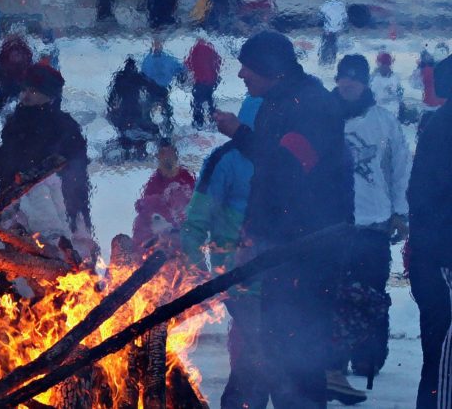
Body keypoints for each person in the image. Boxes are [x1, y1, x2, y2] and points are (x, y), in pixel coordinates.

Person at [215, 30, 352, 408]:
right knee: (269, 346)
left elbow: (290, 166)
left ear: (270, 68)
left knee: (297, 355)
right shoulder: (275, 102)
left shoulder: (312, 105)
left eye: (247, 66)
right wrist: (251, 232)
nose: (241, 74)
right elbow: (267, 178)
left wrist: (240, 134)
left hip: (308, 250)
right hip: (277, 247)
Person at [0, 62, 96, 263]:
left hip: (57, 214)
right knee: (16, 276)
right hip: (14, 211)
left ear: (49, 95)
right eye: (24, 89)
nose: (25, 95)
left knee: (64, 273)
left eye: (33, 90)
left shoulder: (65, 128)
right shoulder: (16, 123)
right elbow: (3, 166)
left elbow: (76, 179)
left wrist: (74, 219)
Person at [181, 95, 266, 409]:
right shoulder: (225, 160)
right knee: (257, 347)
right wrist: (196, 267)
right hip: (237, 273)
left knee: (266, 348)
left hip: (278, 272)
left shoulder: (284, 159)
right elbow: (197, 218)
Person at [331, 55, 410, 392]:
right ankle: (331, 361)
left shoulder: (384, 123)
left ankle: (368, 357)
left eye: (355, 79)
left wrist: (400, 211)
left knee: (372, 296)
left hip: (374, 224)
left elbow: (399, 168)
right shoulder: (323, 118)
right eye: (343, 78)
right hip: (332, 227)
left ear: (364, 82)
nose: (348, 84)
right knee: (331, 295)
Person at [407, 55, 452, 409]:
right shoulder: (445, 129)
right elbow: (424, 199)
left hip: (436, 255)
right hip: (441, 259)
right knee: (443, 359)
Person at [132, 142, 195, 248]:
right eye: (164, 155)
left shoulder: (186, 176)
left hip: (188, 228)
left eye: (170, 155)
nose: (167, 159)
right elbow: (145, 211)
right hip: (166, 232)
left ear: (175, 156)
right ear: (159, 158)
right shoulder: (154, 183)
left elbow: (197, 200)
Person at [107, 57, 160, 160]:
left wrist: (111, 105)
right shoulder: (137, 77)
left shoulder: (120, 77)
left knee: (127, 129)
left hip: (127, 110)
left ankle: (129, 148)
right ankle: (136, 149)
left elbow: (113, 94)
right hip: (134, 109)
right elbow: (151, 86)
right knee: (142, 128)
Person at [140, 39, 184, 133]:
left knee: (157, 107)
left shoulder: (155, 59)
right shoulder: (149, 60)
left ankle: (163, 127)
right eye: (156, 44)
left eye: (158, 44)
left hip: (158, 89)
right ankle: (159, 127)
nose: (157, 46)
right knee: (155, 107)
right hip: (155, 89)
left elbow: (179, 68)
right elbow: (179, 68)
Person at [185, 37, 222, 129]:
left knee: (197, 102)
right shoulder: (210, 49)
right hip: (211, 80)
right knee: (209, 100)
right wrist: (215, 72)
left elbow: (188, 63)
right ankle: (213, 121)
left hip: (200, 80)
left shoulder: (195, 50)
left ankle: (198, 122)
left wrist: (192, 71)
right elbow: (218, 61)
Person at [370, 51, 403, 119]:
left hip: (392, 112)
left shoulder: (395, 78)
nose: (383, 67)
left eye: (386, 64)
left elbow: (400, 95)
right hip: (379, 113)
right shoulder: (375, 79)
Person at [320, 0, 348, 66]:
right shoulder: (341, 5)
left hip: (328, 30)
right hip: (336, 30)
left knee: (326, 45)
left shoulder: (325, 5)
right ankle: (331, 60)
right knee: (333, 45)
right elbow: (344, 17)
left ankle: (324, 61)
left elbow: (321, 16)